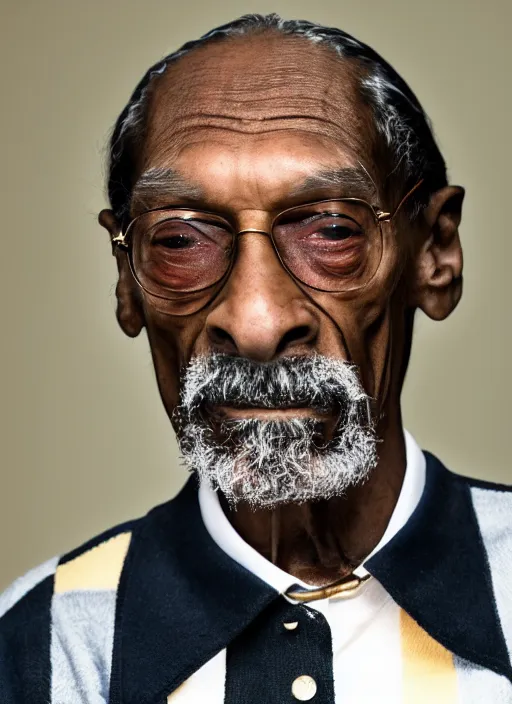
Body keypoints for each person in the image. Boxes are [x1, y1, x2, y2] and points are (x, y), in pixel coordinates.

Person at [1, 13, 511, 703]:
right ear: (126, 279)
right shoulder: (42, 647)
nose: (256, 321)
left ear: (434, 253)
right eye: (181, 240)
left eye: (331, 229)